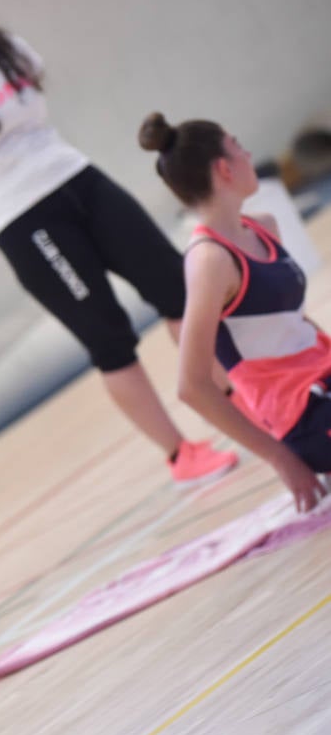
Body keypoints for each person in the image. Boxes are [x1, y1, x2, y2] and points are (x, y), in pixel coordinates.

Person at [0, 0, 237, 484]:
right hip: (25, 219)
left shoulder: (6, 49)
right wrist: (14, 190)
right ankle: (181, 453)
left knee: (176, 287)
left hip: (80, 180)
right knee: (109, 338)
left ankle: (238, 399)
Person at [139, 112, 330, 513]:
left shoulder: (263, 226)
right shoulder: (209, 261)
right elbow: (192, 386)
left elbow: (292, 325)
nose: (247, 153)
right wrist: (282, 459)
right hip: (305, 416)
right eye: (238, 145)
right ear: (224, 168)